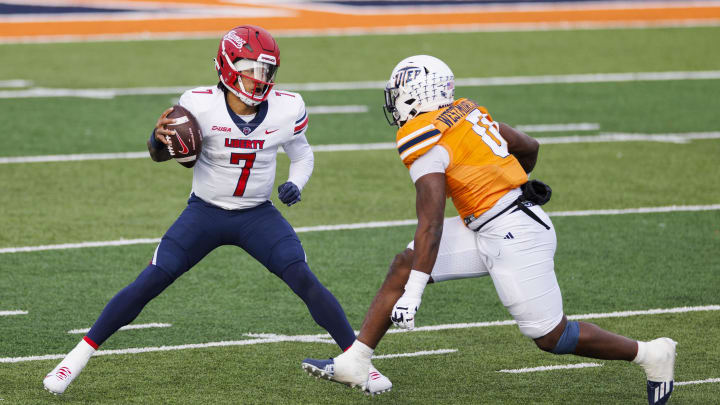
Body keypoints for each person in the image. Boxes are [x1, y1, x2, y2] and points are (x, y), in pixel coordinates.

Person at [301, 55, 677, 405]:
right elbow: (528, 146)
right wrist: (512, 180)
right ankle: (357, 360)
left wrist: (414, 293)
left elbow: (430, 222)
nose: (395, 102)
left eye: (398, 93)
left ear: (415, 94)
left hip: (515, 233)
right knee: (406, 262)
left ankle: (651, 353)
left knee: (550, 336)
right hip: (493, 222)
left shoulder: (421, 135)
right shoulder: (466, 113)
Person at [43, 25, 391, 396]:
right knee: (150, 280)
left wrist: (297, 182)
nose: (260, 80)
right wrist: (156, 140)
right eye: (252, 69)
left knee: (304, 279)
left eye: (266, 71)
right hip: (205, 213)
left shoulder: (287, 107)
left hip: (258, 215)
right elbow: (165, 154)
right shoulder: (198, 103)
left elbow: (302, 153)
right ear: (227, 66)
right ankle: (72, 361)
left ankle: (360, 364)